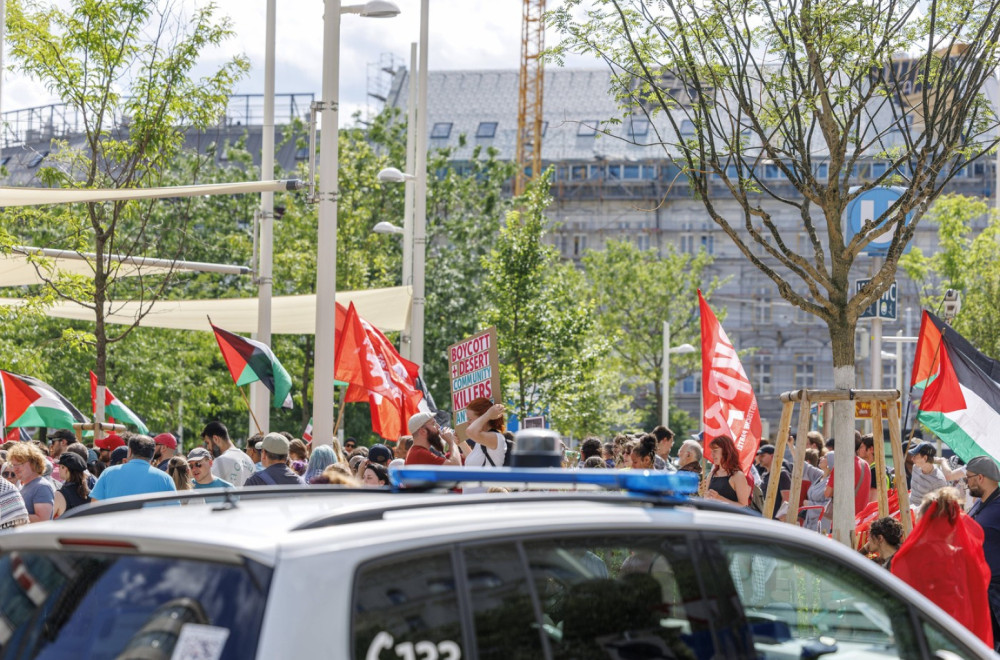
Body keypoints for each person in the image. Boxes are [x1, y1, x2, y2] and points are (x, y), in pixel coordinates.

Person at [893, 487, 993, 647]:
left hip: (922, 637)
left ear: (925, 519)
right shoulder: (962, 556)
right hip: (960, 636)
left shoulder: (911, 556)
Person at [967, 455, 1000, 648]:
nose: (967, 483)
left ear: (980, 478)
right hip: (982, 587)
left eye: (968, 478)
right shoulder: (980, 502)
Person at [91, 435, 176, 502]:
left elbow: (94, 506)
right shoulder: (166, 479)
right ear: (153, 454)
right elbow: (174, 512)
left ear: (130, 451)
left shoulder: (108, 473)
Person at [8, 442, 55, 522]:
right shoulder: (26, 487)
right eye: (13, 465)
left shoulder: (41, 487)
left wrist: (11, 516)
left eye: (19, 464)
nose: (15, 469)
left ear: (33, 463)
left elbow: (43, 520)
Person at [202, 421, 255, 487]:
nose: (208, 448)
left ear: (216, 439)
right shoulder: (249, 460)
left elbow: (205, 487)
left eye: (207, 443)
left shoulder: (220, 461)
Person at [824, 444, 872, 516]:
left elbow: (827, 493)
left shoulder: (841, 464)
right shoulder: (865, 464)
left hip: (842, 516)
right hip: (860, 516)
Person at [704, 435, 751, 507]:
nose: (712, 455)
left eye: (715, 451)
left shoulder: (738, 476)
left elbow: (743, 506)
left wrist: (719, 498)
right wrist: (703, 495)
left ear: (726, 451)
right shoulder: (711, 475)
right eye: (711, 451)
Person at [464, 398, 507, 468]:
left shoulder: (496, 437)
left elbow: (469, 431)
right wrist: (461, 443)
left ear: (482, 418)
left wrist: (488, 415)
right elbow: (475, 461)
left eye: (470, 419)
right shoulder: (481, 438)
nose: (468, 422)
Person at [908, 442, 948, 509]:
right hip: (907, 508)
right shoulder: (915, 467)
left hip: (922, 513)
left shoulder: (939, 480)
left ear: (925, 458)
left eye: (915, 456)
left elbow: (939, 507)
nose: (912, 459)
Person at [52, 453, 92, 517]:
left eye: (60, 466)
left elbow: (47, 519)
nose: (58, 469)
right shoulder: (91, 495)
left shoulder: (59, 495)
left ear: (65, 469)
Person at [757, 445, 791, 519]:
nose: (759, 458)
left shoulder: (782, 474)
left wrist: (778, 519)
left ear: (772, 456)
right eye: (759, 456)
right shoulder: (764, 474)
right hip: (764, 517)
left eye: (762, 455)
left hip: (774, 520)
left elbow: (786, 499)